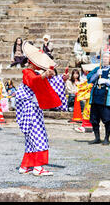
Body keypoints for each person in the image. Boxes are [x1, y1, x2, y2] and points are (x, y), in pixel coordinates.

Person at [15, 41, 69, 176]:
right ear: (32, 62)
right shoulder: (27, 73)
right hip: (30, 110)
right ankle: (38, 167)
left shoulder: (35, 73)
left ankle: (26, 165)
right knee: (38, 137)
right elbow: (33, 81)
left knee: (31, 139)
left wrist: (61, 78)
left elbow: (49, 82)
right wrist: (44, 75)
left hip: (33, 109)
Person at [87, 52, 110, 146]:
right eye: (104, 57)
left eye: (107, 57)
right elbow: (89, 79)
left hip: (106, 99)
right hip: (95, 97)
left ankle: (106, 138)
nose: (105, 59)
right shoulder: (97, 69)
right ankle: (97, 137)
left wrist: (107, 81)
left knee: (107, 119)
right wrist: (96, 75)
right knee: (94, 119)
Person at [74, 63, 98, 133]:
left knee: (90, 112)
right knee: (87, 111)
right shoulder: (90, 80)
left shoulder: (94, 80)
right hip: (90, 98)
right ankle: (86, 126)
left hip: (94, 97)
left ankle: (92, 126)